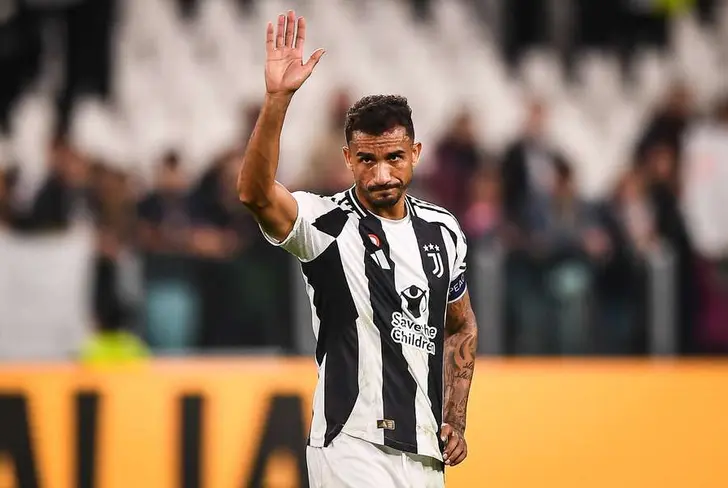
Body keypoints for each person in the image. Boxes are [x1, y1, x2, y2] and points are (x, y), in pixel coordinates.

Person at [237, 11, 478, 487]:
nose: (382, 174)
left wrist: (456, 417)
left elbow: (460, 323)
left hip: (425, 454)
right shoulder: (325, 223)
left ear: (416, 154)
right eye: (367, 159)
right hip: (351, 445)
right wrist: (277, 100)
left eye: (394, 157)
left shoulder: (444, 231)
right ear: (348, 158)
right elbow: (255, 194)